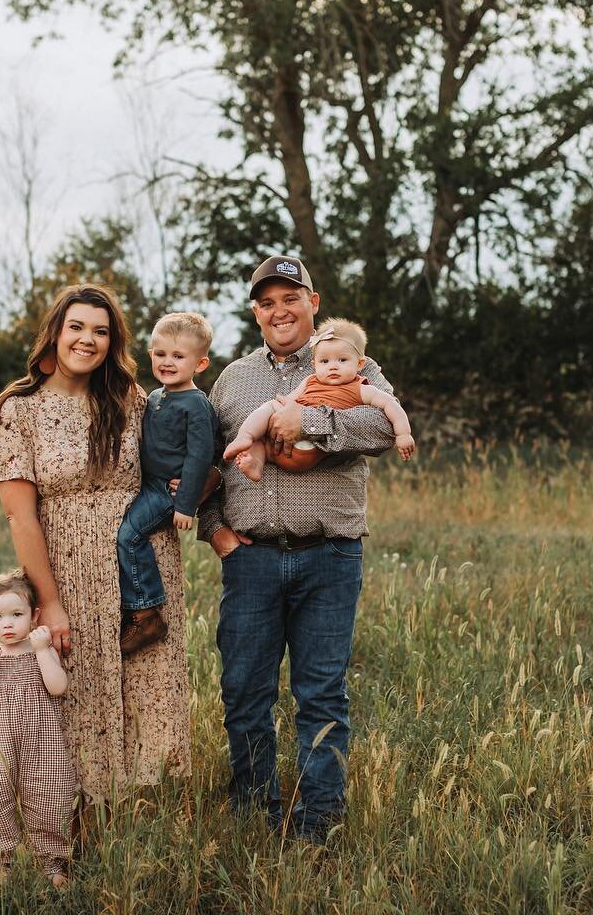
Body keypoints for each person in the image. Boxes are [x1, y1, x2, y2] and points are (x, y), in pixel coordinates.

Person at [197, 255, 397, 842]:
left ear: (313, 301)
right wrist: (216, 532)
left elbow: (384, 428)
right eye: (267, 301)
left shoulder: (349, 364)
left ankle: (317, 823)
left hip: (329, 554)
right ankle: (256, 814)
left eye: (292, 297)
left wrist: (305, 421)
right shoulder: (233, 379)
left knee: (321, 692)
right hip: (251, 555)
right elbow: (207, 463)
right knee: (245, 688)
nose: (279, 309)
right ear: (255, 311)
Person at [0, 284, 191, 810]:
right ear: (55, 332)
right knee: (75, 685)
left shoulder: (132, 400)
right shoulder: (18, 409)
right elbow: (20, 515)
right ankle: (76, 811)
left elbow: (181, 452)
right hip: (65, 565)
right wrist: (48, 602)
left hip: (142, 561)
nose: (88, 340)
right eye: (77, 326)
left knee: (151, 679)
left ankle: (150, 811)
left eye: (101, 331)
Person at [0, 570, 77, 888]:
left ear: (34, 616)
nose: (7, 624)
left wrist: (42, 651)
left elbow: (58, 687)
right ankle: (1, 863)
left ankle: (52, 862)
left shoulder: (41, 650)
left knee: (49, 794)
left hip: (41, 739)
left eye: (16, 614)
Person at [116, 312, 219, 656]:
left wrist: (186, 504)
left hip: (168, 491)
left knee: (130, 535)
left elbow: (200, 456)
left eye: (178, 356)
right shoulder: (155, 397)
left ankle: (146, 612)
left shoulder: (196, 404)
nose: (168, 362)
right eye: (161, 354)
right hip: (147, 483)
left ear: (200, 363)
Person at [221, 317, 415, 481]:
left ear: (360, 364)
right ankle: (249, 448)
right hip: (279, 446)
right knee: (270, 408)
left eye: (342, 360)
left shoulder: (361, 388)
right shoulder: (310, 381)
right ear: (315, 365)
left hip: (308, 448)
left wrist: (403, 434)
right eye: (325, 361)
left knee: (279, 419)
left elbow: (390, 406)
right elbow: (288, 402)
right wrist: (277, 418)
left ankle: (256, 448)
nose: (333, 366)